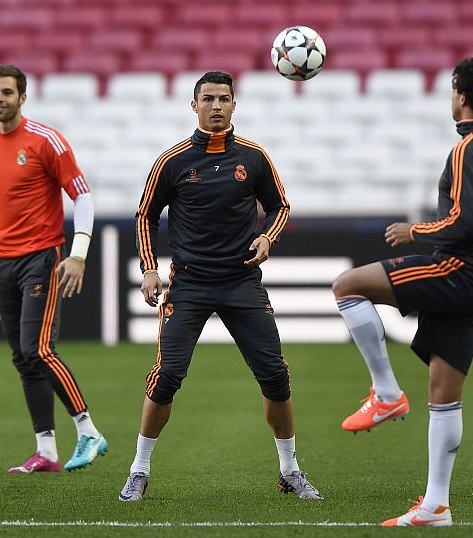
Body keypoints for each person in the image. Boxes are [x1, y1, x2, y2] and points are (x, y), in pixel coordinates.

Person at [332, 56, 473, 526]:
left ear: (462, 96)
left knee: (347, 287)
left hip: (456, 269)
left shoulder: (467, 149)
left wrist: (414, 232)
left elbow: (461, 222)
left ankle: (385, 393)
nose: (451, 98)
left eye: (452, 90)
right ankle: (435, 506)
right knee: (444, 395)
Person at [118, 71, 322, 502]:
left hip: (242, 282)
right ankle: (139, 469)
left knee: (275, 376)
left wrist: (267, 238)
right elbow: (144, 216)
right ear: (193, 106)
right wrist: (150, 269)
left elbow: (280, 206)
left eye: (223, 99)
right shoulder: (172, 161)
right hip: (189, 284)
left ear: (234, 105)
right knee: (167, 375)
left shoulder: (254, 157)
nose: (216, 106)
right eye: (207, 98)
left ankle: (290, 470)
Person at [0, 65, 107, 474]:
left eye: (6, 92)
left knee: (39, 349)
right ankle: (47, 451)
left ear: (22, 97)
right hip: (2, 261)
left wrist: (79, 253)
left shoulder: (45, 141)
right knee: (23, 357)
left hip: (42, 257)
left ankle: (88, 431)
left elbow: (82, 198)